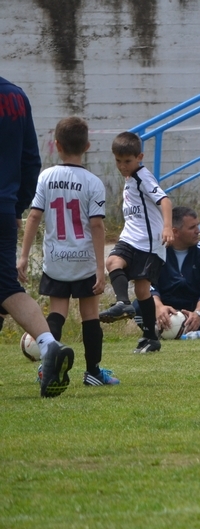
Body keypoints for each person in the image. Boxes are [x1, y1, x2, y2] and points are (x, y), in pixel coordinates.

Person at [18, 117, 117, 386]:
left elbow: (34, 217)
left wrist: (24, 256)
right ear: (87, 146)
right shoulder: (93, 182)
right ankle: (93, 372)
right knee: (90, 315)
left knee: (57, 314)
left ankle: (46, 368)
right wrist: (100, 268)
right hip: (84, 260)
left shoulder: (46, 177)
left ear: (57, 145)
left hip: (56, 260)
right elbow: (96, 225)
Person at [1, 91, 76, 398]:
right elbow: (31, 159)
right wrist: (15, 206)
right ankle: (48, 345)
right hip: (4, 208)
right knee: (5, 285)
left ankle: (48, 345)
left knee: (5, 286)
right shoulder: (15, 96)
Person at [98, 131, 174, 352]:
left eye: (127, 161)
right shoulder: (130, 178)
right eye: (118, 161)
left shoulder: (142, 176)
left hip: (149, 243)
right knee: (112, 262)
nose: (122, 166)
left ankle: (150, 337)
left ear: (139, 157)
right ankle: (123, 304)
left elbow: (165, 201)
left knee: (142, 290)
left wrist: (167, 227)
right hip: (131, 238)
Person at [132, 206, 200, 334]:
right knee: (137, 305)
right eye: (192, 228)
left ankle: (197, 330)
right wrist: (159, 307)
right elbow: (148, 286)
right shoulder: (156, 252)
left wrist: (198, 313)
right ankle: (162, 328)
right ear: (175, 232)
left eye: (198, 225)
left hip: (196, 308)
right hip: (166, 308)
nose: (198, 231)